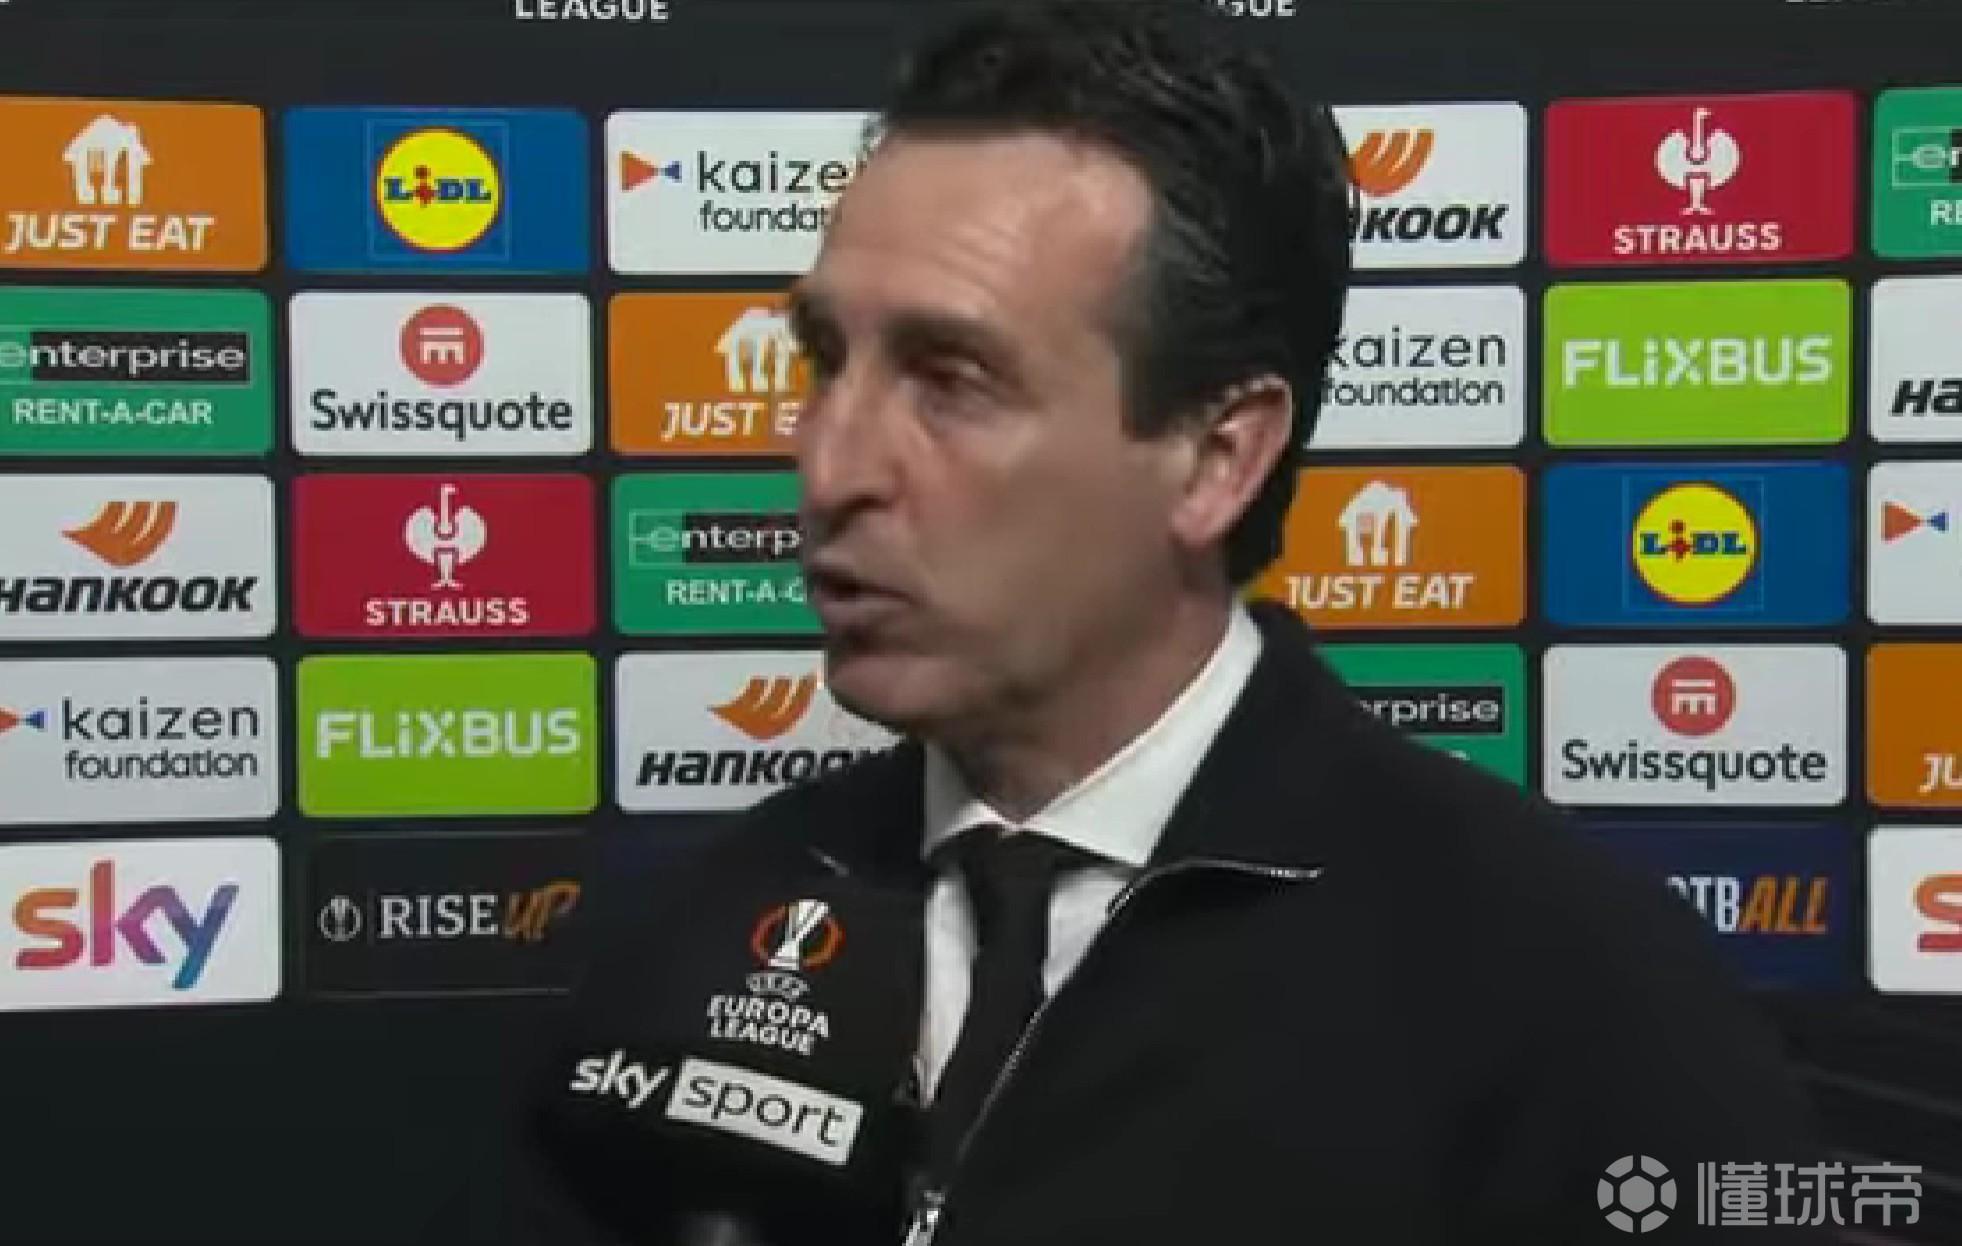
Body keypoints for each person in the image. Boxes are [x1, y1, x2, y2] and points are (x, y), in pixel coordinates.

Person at [482, 3, 1830, 1243]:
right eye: (828, 359)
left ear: (1213, 457)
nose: (831, 465)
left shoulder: (1567, 991)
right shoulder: (704, 923)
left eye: (951, 378)